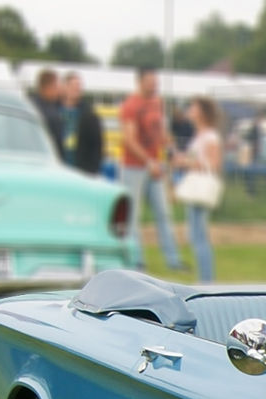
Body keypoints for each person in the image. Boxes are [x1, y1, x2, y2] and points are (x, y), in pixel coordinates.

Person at [120, 68, 187, 272]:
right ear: (140, 81)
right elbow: (129, 140)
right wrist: (149, 162)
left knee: (164, 213)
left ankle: (173, 260)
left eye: (155, 81)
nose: (154, 85)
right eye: (150, 81)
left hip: (155, 166)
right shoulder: (130, 106)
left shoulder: (157, 103)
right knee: (133, 216)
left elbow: (161, 132)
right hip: (134, 167)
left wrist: (172, 150)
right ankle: (136, 260)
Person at [173, 96, 222, 283]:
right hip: (194, 190)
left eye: (193, 107)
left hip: (201, 189)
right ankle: (204, 277)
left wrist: (187, 162)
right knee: (195, 235)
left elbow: (213, 164)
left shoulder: (210, 136)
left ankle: (207, 279)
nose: (190, 110)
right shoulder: (199, 135)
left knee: (200, 235)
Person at [60, 71, 104, 177]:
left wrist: (93, 169)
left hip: (81, 168)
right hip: (59, 166)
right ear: (65, 87)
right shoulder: (55, 111)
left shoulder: (89, 114)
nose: (77, 89)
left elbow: (97, 144)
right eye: (73, 86)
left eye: (79, 86)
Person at [30, 68, 64, 159]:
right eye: (56, 86)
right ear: (48, 87)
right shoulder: (52, 113)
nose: (59, 90)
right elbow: (58, 145)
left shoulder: (28, 105)